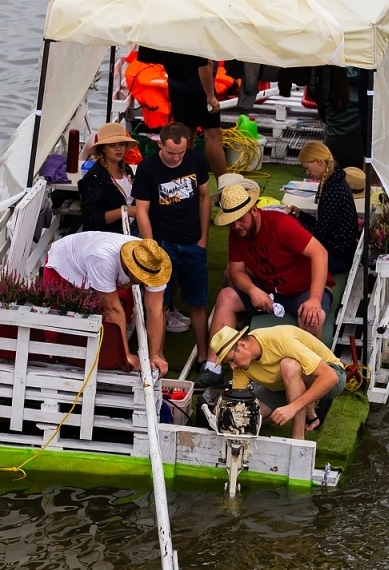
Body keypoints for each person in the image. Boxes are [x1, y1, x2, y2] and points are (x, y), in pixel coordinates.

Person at [199, 183, 333, 388]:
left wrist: (315, 299)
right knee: (226, 296)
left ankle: (311, 377)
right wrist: (253, 290)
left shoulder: (281, 224)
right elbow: (236, 271)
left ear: (254, 210)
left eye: (240, 220)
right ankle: (212, 367)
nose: (237, 226)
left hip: (303, 290)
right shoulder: (237, 233)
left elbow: (320, 253)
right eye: (232, 223)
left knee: (311, 317)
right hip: (270, 288)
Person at [131, 122, 212, 359]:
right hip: (163, 244)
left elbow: (204, 197)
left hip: (193, 243)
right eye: (171, 153)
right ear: (160, 144)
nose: (176, 158)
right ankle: (157, 356)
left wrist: (204, 238)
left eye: (181, 153)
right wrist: (151, 247)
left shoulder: (196, 160)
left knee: (198, 302)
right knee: (159, 304)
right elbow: (142, 210)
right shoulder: (147, 168)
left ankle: (203, 356)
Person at [43, 232, 171, 375]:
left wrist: (154, 355)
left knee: (108, 320)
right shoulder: (102, 258)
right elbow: (113, 310)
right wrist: (126, 356)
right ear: (131, 267)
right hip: (65, 265)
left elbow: (155, 310)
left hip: (96, 263)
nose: (147, 282)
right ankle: (52, 366)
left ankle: (102, 360)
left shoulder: (154, 262)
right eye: (143, 277)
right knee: (60, 321)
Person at [208, 325, 346, 440]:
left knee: (289, 366)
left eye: (232, 360)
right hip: (282, 385)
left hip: (330, 376)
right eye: (228, 363)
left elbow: (331, 377)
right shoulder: (241, 365)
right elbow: (238, 399)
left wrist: (293, 407)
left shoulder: (281, 340)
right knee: (241, 418)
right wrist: (225, 408)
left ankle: (298, 440)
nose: (233, 367)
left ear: (242, 345)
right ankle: (306, 407)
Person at [135, 45, 228, 177]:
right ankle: (224, 184)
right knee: (213, 134)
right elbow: (205, 63)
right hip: (199, 87)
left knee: (186, 134)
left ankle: (184, 181)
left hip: (177, 85)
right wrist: (210, 95)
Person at [291, 141, 362, 276]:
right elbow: (324, 224)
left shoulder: (333, 191)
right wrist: (301, 215)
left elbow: (319, 235)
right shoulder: (334, 182)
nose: (307, 172)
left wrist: (293, 221)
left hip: (336, 257)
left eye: (307, 168)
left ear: (319, 162)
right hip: (340, 252)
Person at [78, 121, 137, 232]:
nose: (118, 149)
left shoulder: (126, 168)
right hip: (108, 234)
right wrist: (126, 211)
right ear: (103, 149)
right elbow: (92, 218)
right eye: (112, 145)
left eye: (121, 144)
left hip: (130, 228)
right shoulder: (94, 178)